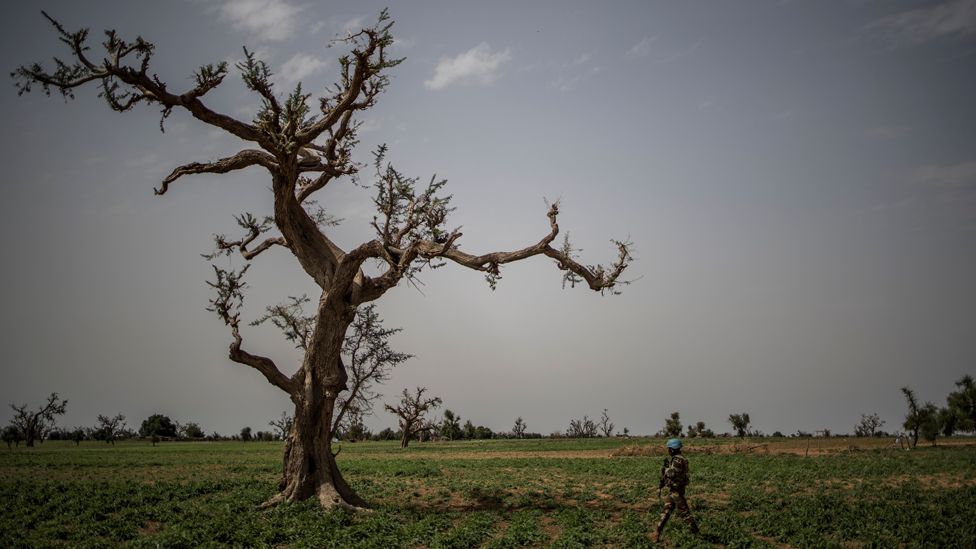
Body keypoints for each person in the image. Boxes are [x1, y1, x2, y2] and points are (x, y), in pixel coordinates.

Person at [653, 438, 699, 542]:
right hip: (674, 490)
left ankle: (697, 534)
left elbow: (673, 473)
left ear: (673, 449)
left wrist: (665, 469)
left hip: (677, 491)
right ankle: (657, 532)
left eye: (669, 449)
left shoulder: (677, 460)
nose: (668, 451)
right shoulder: (679, 458)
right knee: (666, 511)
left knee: (684, 513)